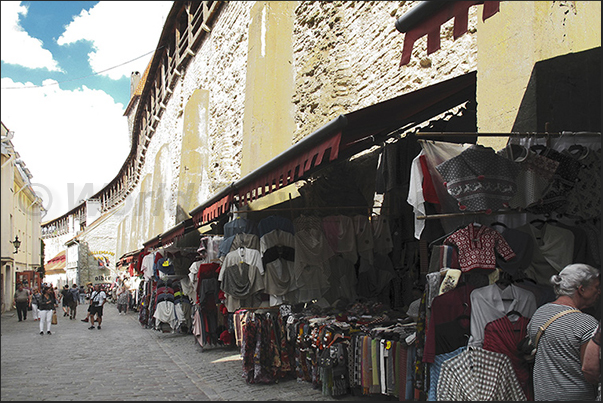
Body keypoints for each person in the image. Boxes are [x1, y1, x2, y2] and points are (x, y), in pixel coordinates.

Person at [527, 263, 600, 401]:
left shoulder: (540, 313)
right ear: (581, 289)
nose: (599, 292)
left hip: (543, 396)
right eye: (596, 287)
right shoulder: (586, 323)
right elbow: (590, 370)